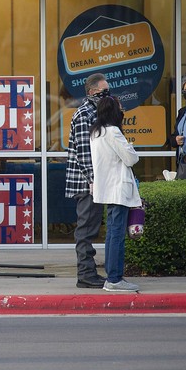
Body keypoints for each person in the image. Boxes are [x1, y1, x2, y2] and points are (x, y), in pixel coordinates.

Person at [89, 96, 141, 292]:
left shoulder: (96, 132)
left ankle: (113, 276)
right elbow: (131, 158)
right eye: (120, 108)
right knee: (117, 235)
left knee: (112, 234)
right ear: (113, 111)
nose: (123, 111)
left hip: (108, 188)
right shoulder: (113, 132)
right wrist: (130, 147)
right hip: (118, 189)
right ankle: (114, 278)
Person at [64, 72, 110, 289]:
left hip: (95, 181)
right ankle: (85, 274)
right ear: (92, 92)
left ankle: (89, 272)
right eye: (104, 91)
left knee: (91, 227)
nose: (107, 94)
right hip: (86, 183)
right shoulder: (84, 114)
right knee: (86, 230)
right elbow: (84, 152)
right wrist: (93, 181)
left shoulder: (96, 111)